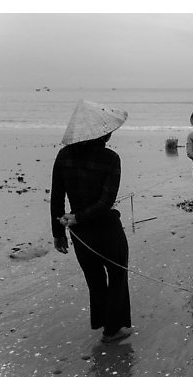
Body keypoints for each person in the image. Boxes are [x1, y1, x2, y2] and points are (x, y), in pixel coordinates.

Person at [51, 99, 131, 343]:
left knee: (95, 279)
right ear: (101, 133)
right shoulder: (110, 159)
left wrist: (59, 233)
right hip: (106, 229)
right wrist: (76, 219)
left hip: (80, 232)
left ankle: (104, 323)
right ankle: (112, 329)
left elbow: (56, 196)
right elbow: (106, 202)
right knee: (117, 275)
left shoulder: (64, 156)